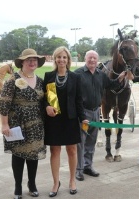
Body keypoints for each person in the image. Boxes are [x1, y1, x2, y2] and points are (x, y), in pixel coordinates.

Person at [0, 48, 47, 199]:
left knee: (33, 157)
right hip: (17, 125)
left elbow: (44, 102)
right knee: (18, 157)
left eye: (35, 60)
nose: (32, 62)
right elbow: (3, 105)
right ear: (22, 62)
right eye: (29, 60)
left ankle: (31, 184)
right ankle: (18, 187)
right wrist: (5, 125)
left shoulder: (40, 81)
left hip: (37, 126)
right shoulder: (13, 80)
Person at [74, 50, 127, 181]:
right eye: (90, 58)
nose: (92, 60)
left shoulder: (100, 75)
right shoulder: (78, 74)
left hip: (96, 112)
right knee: (81, 143)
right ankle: (79, 170)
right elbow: (75, 97)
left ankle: (88, 166)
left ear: (97, 60)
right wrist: (81, 116)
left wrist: (120, 77)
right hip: (83, 113)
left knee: (91, 142)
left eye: (94, 58)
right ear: (85, 59)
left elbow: (111, 84)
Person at [43, 46, 88, 197]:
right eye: (59, 57)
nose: (61, 60)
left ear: (68, 59)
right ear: (55, 59)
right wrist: (47, 106)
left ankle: (71, 181)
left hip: (70, 119)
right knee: (55, 151)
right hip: (54, 120)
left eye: (64, 57)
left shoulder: (76, 77)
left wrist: (83, 118)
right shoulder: (48, 76)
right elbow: (43, 99)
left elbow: (79, 100)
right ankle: (56, 183)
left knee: (72, 150)